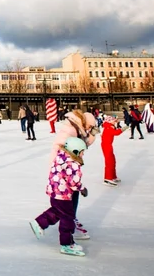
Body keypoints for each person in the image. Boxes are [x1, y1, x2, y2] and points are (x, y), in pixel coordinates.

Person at [30, 137, 88, 257]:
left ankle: (39, 223)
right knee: (67, 218)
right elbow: (73, 182)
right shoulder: (73, 164)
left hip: (55, 192)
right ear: (75, 151)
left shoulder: (60, 157)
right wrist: (82, 189)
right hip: (64, 194)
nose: (83, 154)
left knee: (57, 212)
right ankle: (67, 244)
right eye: (82, 151)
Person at [51, 109, 98, 240]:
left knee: (70, 197)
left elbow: (81, 145)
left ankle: (70, 220)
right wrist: (61, 170)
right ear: (84, 122)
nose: (89, 128)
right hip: (63, 170)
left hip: (65, 169)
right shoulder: (70, 130)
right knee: (66, 200)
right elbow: (59, 147)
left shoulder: (77, 129)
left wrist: (92, 135)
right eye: (89, 126)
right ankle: (68, 224)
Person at [101, 116, 126, 186]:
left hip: (108, 145)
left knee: (112, 161)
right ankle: (107, 178)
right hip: (106, 146)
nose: (115, 122)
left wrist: (117, 123)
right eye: (113, 121)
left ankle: (113, 176)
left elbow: (114, 130)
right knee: (109, 162)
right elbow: (116, 133)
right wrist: (123, 129)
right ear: (110, 121)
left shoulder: (109, 126)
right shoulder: (108, 127)